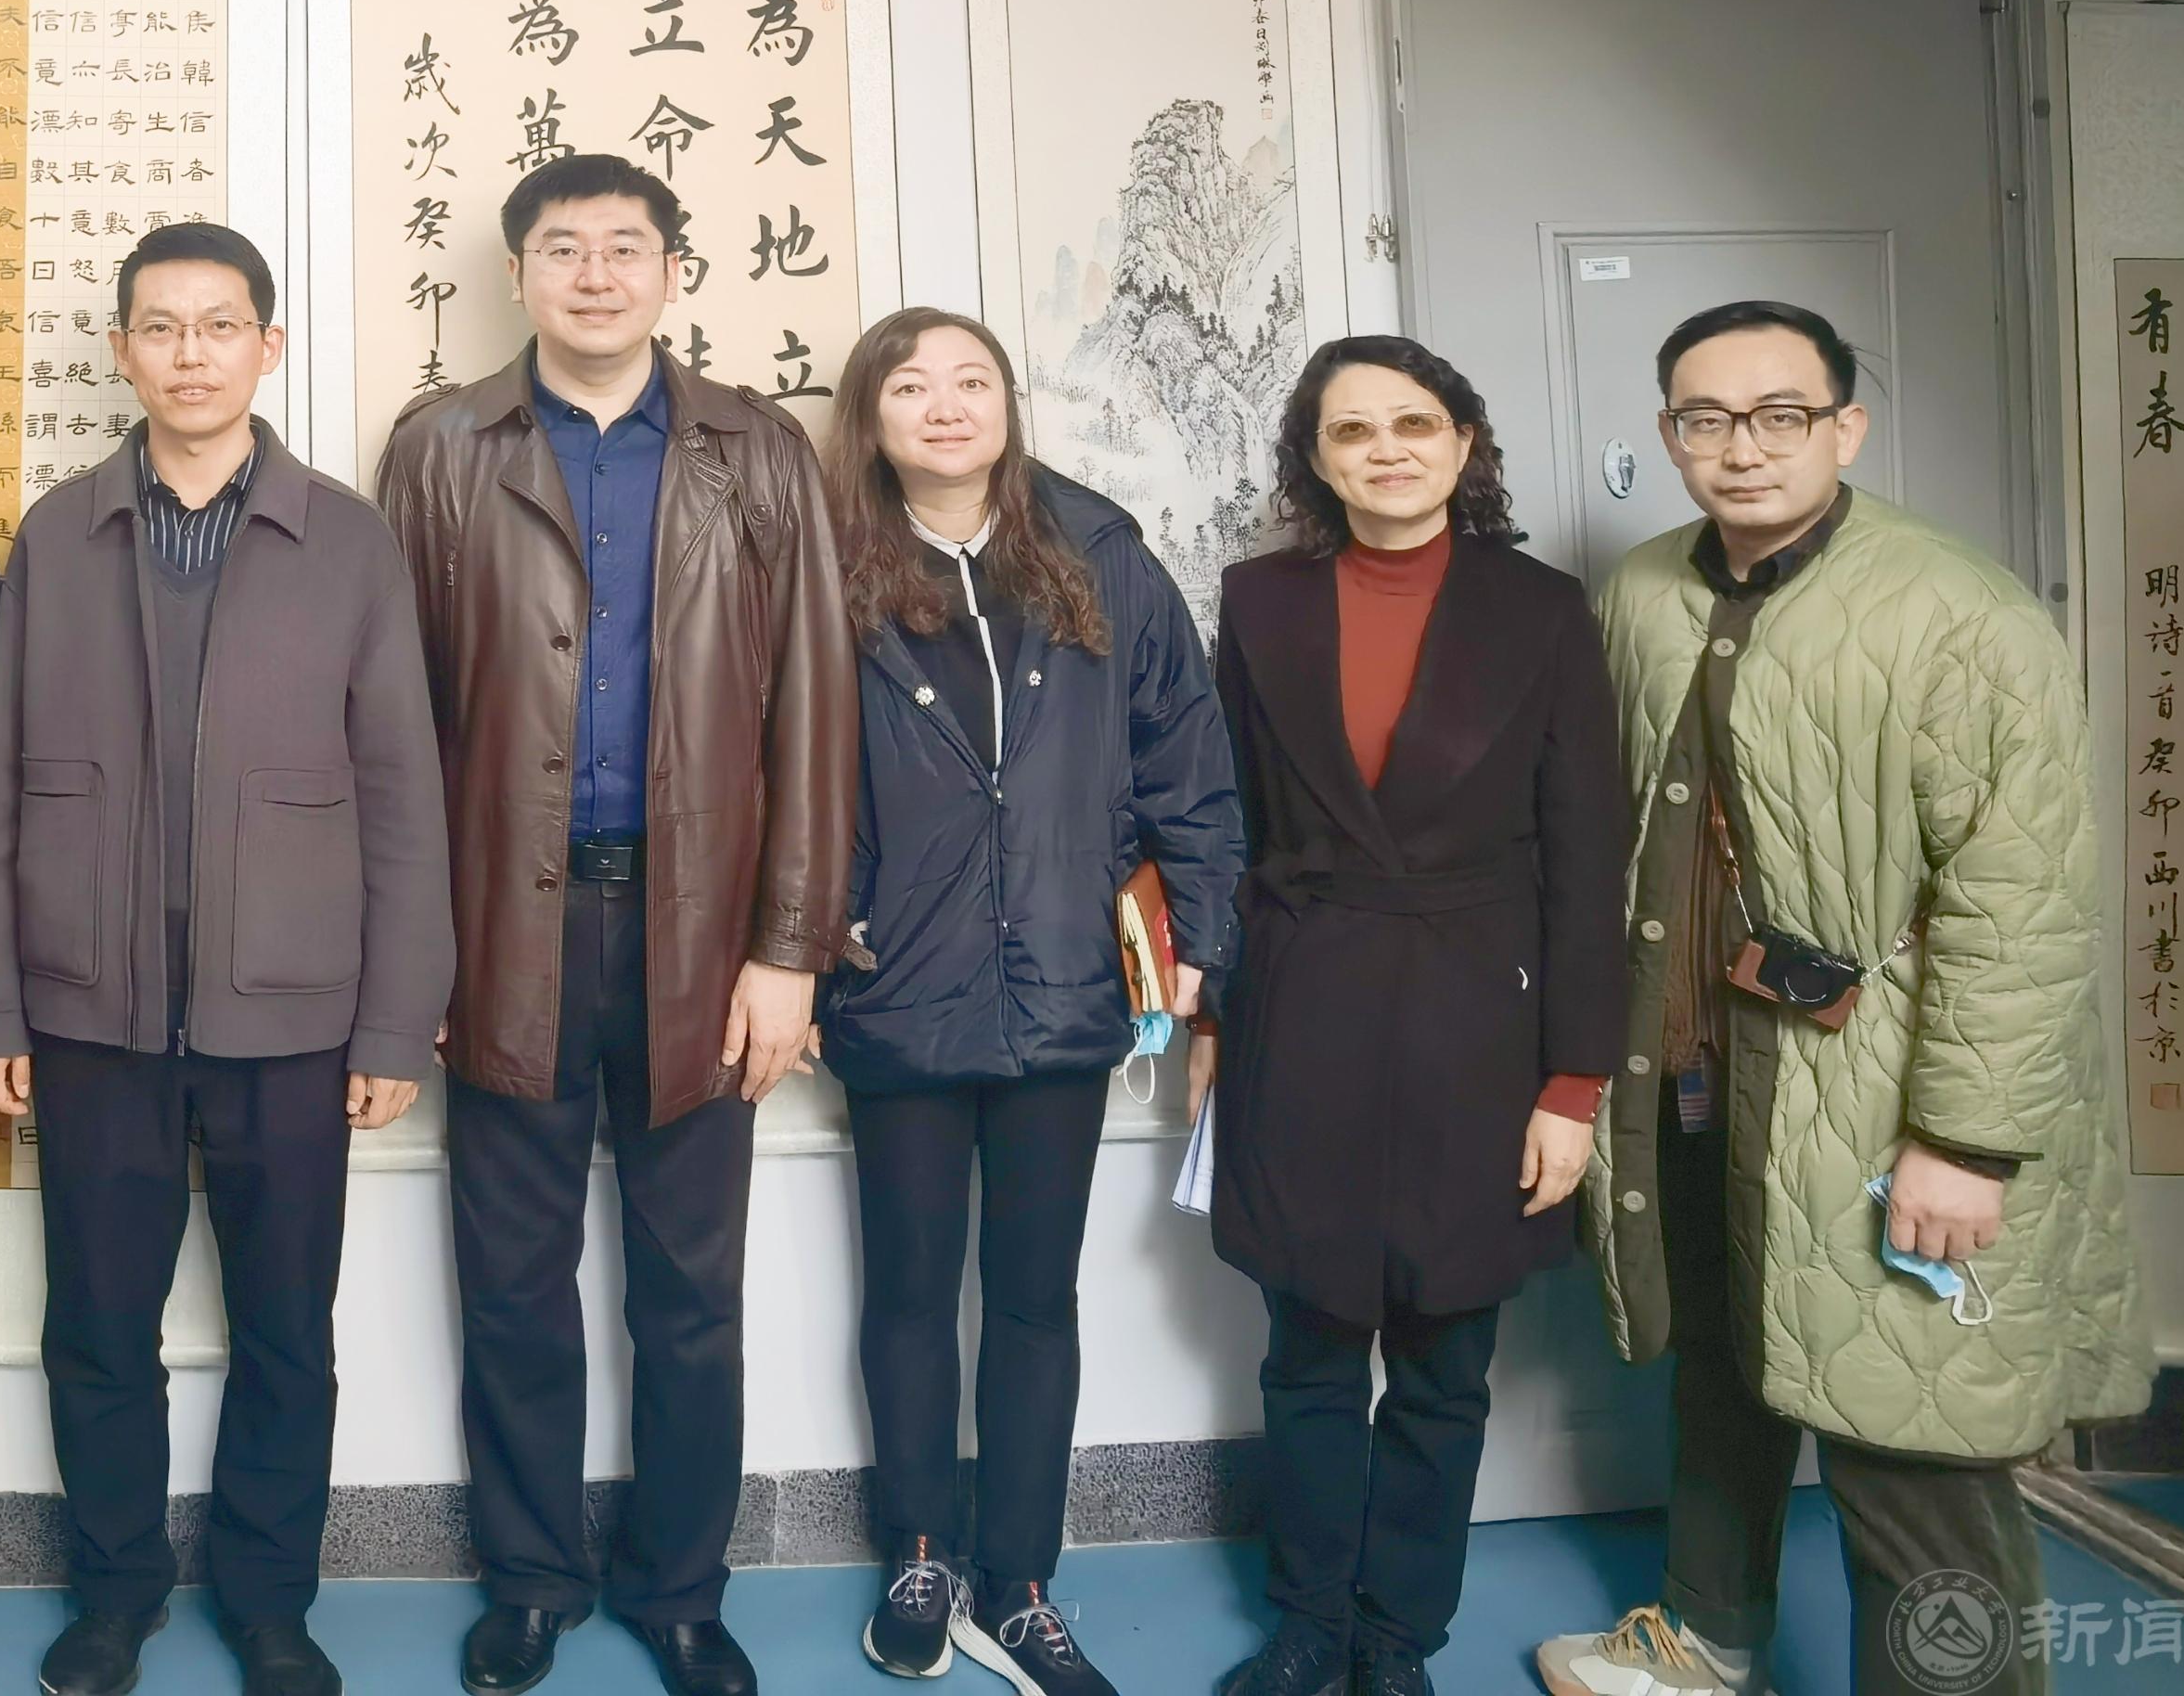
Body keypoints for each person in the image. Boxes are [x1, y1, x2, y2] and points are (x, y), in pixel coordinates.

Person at [1536, 303, 2147, 1696]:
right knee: (1723, 1370)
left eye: (1782, 415)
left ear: (1845, 428)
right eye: (1706, 418)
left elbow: (2024, 902)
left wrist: (1966, 1141)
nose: (1742, 448)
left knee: (1908, 1426)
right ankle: (1705, 1642)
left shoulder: (1963, 612)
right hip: (1696, 1076)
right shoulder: (1640, 593)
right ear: (1670, 433)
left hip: (1883, 1096)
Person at [371, 153, 854, 1696]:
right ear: (519, 272)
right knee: (513, 1287)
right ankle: (530, 1582)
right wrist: (412, 955)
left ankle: (682, 1590)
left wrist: (788, 952)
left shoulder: (756, 449)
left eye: (625, 248)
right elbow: (397, 722)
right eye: (564, 249)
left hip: (700, 935)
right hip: (500, 931)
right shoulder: (443, 447)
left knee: (690, 1295)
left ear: (670, 272)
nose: (595, 275)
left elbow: (812, 707)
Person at [0, 224, 456, 1696]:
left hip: (294, 1018)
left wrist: (395, 1021)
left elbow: (403, 796)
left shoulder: (346, 538)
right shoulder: (58, 532)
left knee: (286, 1335)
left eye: (219, 325)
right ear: (122, 351)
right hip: (90, 1014)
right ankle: (115, 1597)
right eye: (161, 328)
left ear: (267, 347)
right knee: (98, 1330)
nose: (190, 353)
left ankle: (270, 1605)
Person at [818, 308, 1240, 1696]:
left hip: (1064, 978)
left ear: (1008, 404)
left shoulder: (1099, 550)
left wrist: (1203, 935)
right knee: (906, 1293)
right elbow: (777, 774)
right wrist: (816, 940)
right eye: (910, 386)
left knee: (1035, 1299)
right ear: (871, 416)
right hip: (896, 985)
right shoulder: (823, 562)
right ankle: (918, 1555)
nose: (945, 405)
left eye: (972, 381)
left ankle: (1020, 1583)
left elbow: (1185, 749)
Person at [1201, 338, 1625, 1696]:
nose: (1385, 450)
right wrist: (1213, 1017)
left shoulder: (1542, 609)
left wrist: (1575, 1083)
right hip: (1302, 1007)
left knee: (1446, 1365)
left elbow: (1589, 857)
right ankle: (1308, 1626)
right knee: (1308, 1354)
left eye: (1414, 424)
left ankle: (1397, 1642)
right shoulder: (1260, 601)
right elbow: (1227, 823)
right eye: (1351, 431)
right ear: (1315, 461)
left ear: (1462, 444)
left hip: (1479, 1027)